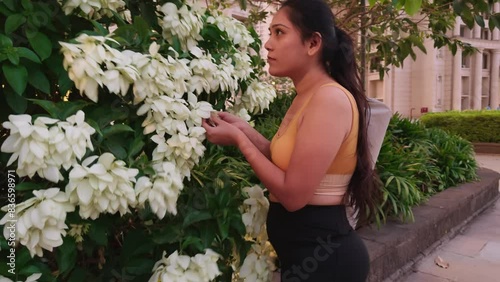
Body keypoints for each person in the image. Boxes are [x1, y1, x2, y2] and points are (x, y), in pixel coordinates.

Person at [202, 0, 382, 280]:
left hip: (326, 261)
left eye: (279, 33)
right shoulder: (307, 96)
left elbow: (294, 195)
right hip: (307, 257)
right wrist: (246, 130)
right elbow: (286, 161)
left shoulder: (328, 99)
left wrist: (240, 140)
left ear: (313, 43)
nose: (268, 44)